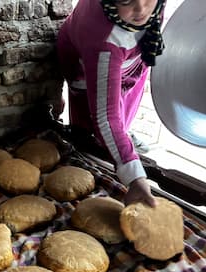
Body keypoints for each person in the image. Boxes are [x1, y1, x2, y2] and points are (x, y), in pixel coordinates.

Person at [57, 0, 167, 207]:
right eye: (127, 1)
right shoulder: (102, 41)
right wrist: (135, 178)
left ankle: (123, 135)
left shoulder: (150, 7)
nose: (141, 9)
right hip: (88, 63)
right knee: (92, 131)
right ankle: (113, 146)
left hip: (131, 58)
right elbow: (105, 117)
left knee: (125, 106)